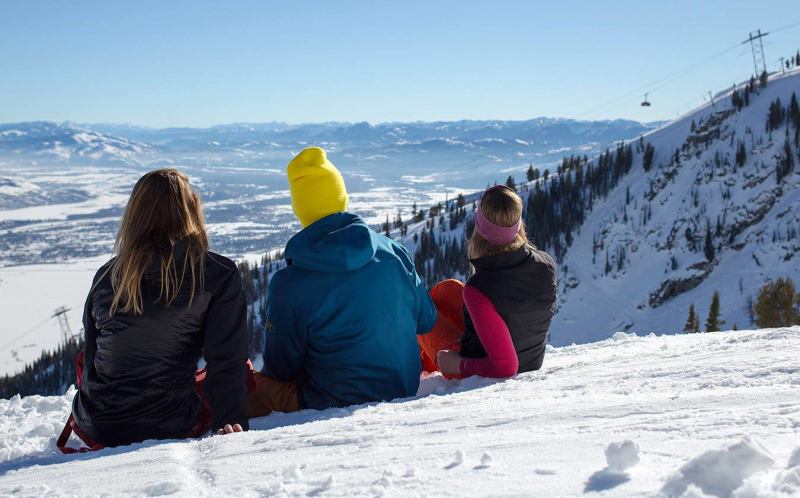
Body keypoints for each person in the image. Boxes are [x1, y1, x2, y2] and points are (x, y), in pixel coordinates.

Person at [247, 146, 436, 417]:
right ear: (342, 197)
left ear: (300, 208)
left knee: (246, 386)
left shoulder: (289, 283)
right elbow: (426, 321)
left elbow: (281, 369)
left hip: (326, 403)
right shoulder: (394, 252)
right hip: (403, 389)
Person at [67, 169, 250, 449]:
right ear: (191, 210)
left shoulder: (108, 275)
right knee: (242, 371)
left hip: (98, 423)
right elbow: (225, 358)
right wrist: (229, 419)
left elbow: (92, 357)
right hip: (172, 422)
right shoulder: (217, 273)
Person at [417, 184, 557, 379]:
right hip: (530, 358)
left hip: (479, 368)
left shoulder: (481, 288)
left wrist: (458, 364)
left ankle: (426, 370)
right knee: (446, 289)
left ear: (480, 226)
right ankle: (427, 364)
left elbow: (506, 368)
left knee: (420, 311)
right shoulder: (546, 263)